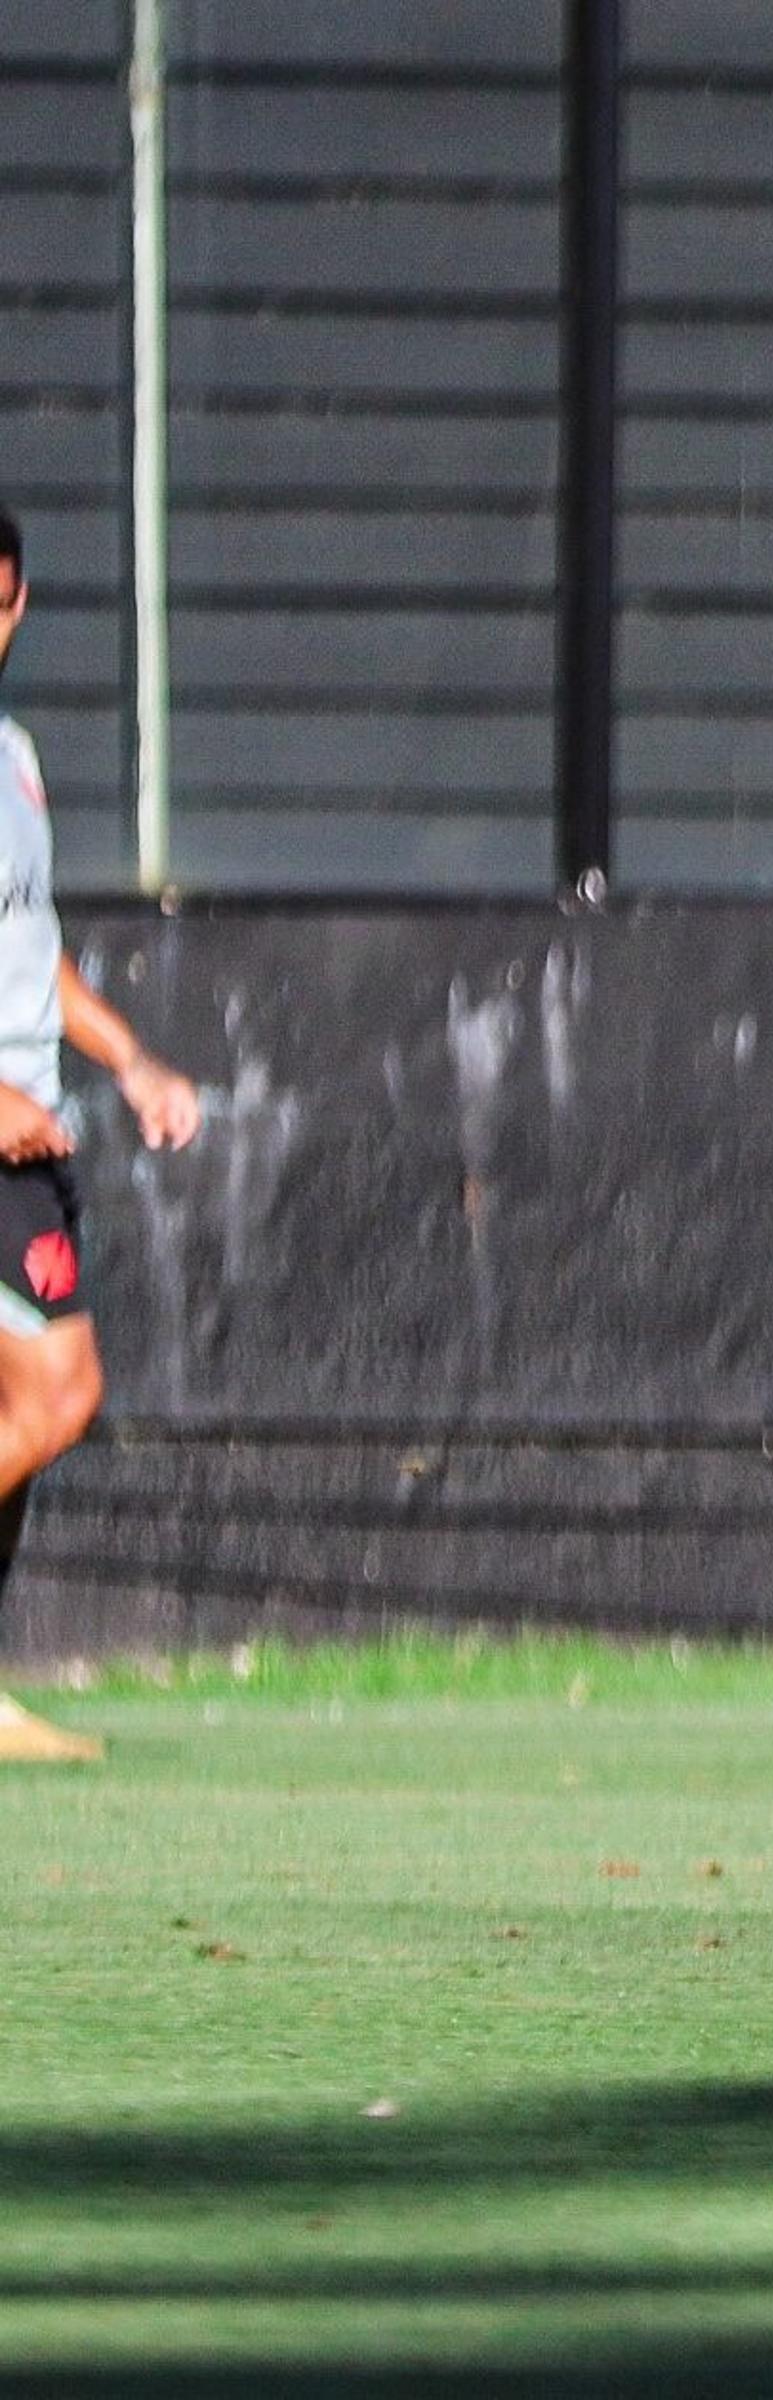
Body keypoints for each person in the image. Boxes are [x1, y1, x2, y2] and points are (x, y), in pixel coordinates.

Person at [0, 507, 204, 1763]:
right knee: (65, 1391)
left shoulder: (14, 757)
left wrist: (129, 1059)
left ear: (13, 605)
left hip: (39, 1129)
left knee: (18, 1420)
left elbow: (36, 958)